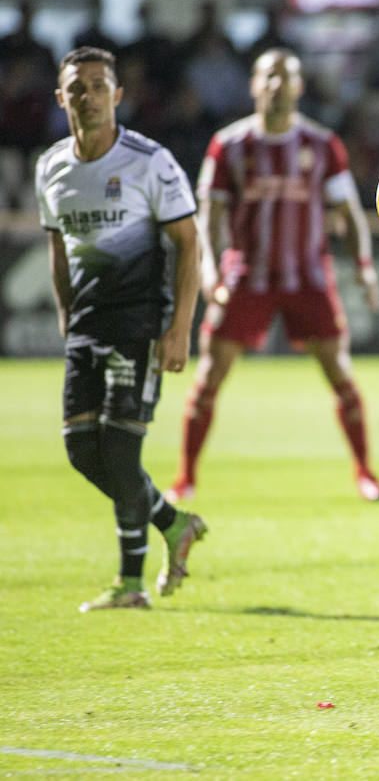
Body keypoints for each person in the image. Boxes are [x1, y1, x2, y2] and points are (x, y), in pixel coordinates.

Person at [169, 48, 379, 503]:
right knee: (209, 375)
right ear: (254, 85)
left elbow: (350, 211)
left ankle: (365, 472)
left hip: (308, 276)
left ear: (299, 86)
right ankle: (185, 477)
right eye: (268, 76)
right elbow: (209, 214)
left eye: (286, 77)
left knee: (339, 373)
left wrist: (364, 268)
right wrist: (210, 268)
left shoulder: (323, 145)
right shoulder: (228, 145)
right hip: (248, 274)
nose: (277, 85)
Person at [37, 47, 208, 611]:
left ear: (118, 94)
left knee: (119, 449)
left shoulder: (149, 160)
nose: (88, 95)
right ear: (61, 98)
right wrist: (65, 313)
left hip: (139, 325)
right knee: (82, 452)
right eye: (76, 87)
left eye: (98, 84)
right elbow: (58, 247)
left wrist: (180, 328)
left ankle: (130, 583)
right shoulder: (51, 168)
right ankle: (172, 521)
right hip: (86, 327)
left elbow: (189, 241)